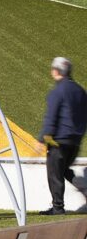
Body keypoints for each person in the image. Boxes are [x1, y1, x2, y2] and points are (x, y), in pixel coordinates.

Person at [37, 57, 87, 216]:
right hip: (75, 141)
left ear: (56, 71)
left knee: (54, 173)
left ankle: (57, 208)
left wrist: (42, 138)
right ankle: (84, 189)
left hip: (58, 141)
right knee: (64, 170)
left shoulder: (58, 91)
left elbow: (51, 117)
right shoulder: (80, 91)